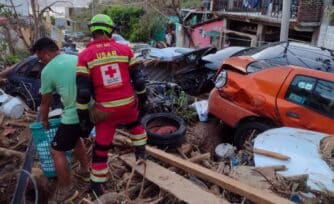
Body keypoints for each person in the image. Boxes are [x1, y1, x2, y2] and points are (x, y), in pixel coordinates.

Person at [76, 14, 148, 196]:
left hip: (105, 110)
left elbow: (83, 93)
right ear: (110, 30)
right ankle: (141, 154)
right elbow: (139, 82)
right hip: (128, 105)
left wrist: (83, 117)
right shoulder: (126, 50)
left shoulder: (84, 55)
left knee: (101, 146)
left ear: (92, 31)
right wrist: (143, 100)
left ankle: (96, 185)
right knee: (135, 126)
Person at [31, 37, 91, 203]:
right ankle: (86, 171)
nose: (40, 61)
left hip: (75, 113)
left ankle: (66, 188)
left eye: (40, 57)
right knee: (75, 138)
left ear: (45, 53)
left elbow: (45, 101)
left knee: (56, 150)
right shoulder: (76, 58)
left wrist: (44, 120)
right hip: (93, 110)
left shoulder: (48, 70)